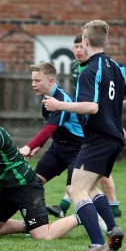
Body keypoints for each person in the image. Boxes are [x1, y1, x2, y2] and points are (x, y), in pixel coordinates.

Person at [43, 20, 126, 251]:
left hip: (98, 138)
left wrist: (60, 105)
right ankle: (112, 229)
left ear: (86, 42)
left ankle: (98, 244)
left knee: (75, 190)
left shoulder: (89, 70)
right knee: (89, 188)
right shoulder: (119, 67)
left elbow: (91, 107)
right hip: (113, 138)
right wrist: (114, 114)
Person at [0, 95, 81, 240]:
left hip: (26, 186)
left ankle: (81, 215)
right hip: (8, 188)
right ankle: (28, 225)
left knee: (43, 236)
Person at [47, 34, 123, 218]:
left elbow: (98, 103)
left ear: (88, 46)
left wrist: (114, 120)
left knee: (88, 178)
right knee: (88, 177)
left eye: (82, 46)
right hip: (92, 127)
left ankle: (110, 211)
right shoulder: (76, 68)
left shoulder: (97, 68)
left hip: (102, 129)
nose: (79, 50)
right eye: (76, 47)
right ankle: (108, 216)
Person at [18, 62, 83, 219]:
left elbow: (49, 130)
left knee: (74, 190)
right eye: (32, 80)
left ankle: (107, 226)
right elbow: (51, 127)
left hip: (78, 150)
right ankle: (36, 222)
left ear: (51, 81)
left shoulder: (61, 100)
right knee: (33, 183)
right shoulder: (46, 99)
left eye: (38, 81)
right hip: (58, 148)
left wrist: (28, 146)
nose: (34, 84)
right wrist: (38, 146)